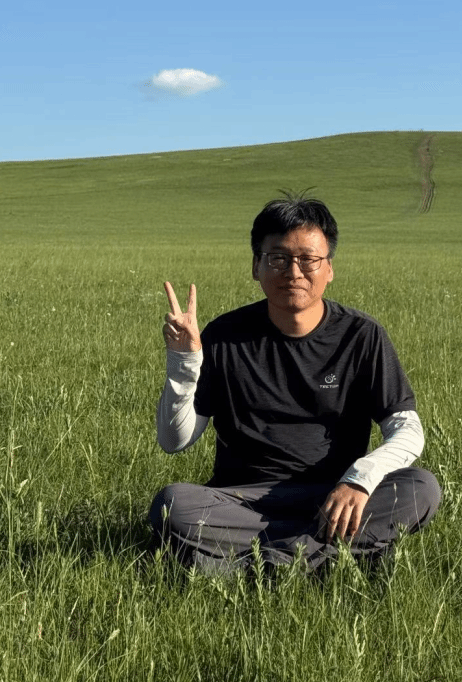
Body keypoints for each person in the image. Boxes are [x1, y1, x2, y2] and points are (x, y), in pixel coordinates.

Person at [150, 192, 441, 572]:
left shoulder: (361, 336)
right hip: (242, 499)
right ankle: (330, 558)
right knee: (173, 504)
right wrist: (184, 360)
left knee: (421, 488)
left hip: (335, 495)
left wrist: (360, 480)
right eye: (278, 258)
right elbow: (175, 441)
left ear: (329, 268)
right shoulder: (225, 335)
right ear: (256, 266)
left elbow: (407, 430)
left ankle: (243, 564)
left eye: (308, 259)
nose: (294, 271)